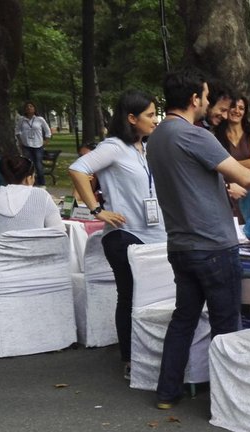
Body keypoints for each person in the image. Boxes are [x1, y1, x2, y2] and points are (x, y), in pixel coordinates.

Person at [146, 69, 250, 409]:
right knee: (227, 323)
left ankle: (167, 392)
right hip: (212, 245)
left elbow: (189, 180)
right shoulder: (195, 135)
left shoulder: (157, 137)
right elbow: (246, 177)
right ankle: (227, 400)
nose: (209, 102)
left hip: (180, 245)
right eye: (206, 96)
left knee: (184, 318)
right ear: (194, 99)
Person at [69, 89, 166, 379]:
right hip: (125, 235)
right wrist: (98, 210)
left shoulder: (144, 147)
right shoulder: (113, 146)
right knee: (130, 295)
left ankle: (154, 353)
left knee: (155, 296)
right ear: (131, 118)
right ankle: (130, 358)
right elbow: (77, 169)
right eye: (149, 115)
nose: (155, 120)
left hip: (156, 234)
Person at [0, 155, 61, 235]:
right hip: (36, 247)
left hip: (1, 248)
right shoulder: (41, 195)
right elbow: (58, 230)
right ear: (29, 179)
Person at [215, 95, 250, 171]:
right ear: (226, 109)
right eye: (233, 106)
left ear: (245, 112)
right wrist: (248, 162)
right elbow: (216, 164)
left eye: (241, 108)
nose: (237, 111)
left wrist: (226, 165)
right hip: (227, 181)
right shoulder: (217, 135)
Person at [14, 102, 53, 186]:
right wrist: (20, 141)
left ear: (34, 108)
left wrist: (46, 141)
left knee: (38, 164)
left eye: (31, 106)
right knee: (28, 165)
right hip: (26, 145)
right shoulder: (22, 120)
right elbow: (17, 130)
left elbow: (47, 131)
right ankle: (30, 183)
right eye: (27, 107)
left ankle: (42, 183)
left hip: (38, 145)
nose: (29, 108)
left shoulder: (40, 119)